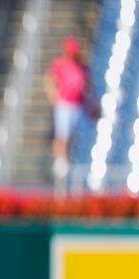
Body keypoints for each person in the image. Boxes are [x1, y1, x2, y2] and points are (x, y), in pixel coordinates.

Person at [45, 36, 96, 180]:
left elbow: (90, 87)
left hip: (79, 106)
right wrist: (52, 94)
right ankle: (60, 161)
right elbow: (50, 79)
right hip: (65, 104)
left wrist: (92, 103)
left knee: (73, 136)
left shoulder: (83, 67)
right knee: (62, 134)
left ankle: (70, 159)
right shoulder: (60, 65)